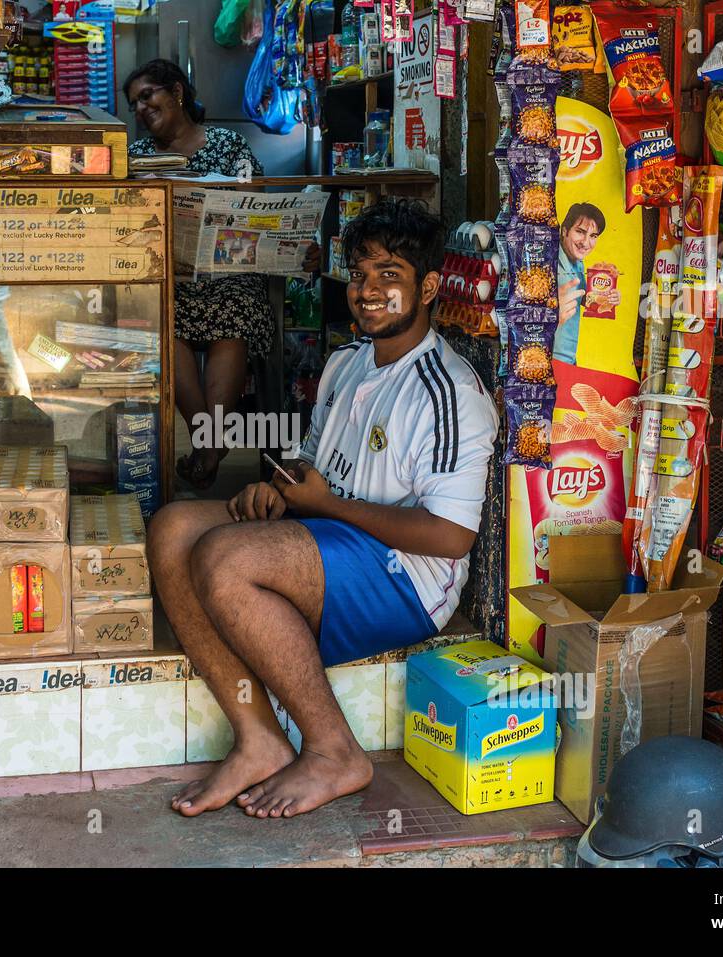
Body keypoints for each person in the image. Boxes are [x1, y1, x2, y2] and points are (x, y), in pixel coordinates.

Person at [147, 200, 498, 819]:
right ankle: (257, 738)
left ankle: (335, 750)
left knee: (225, 558)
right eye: (360, 275)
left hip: (408, 576)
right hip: (330, 537)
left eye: (389, 275)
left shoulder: (449, 393)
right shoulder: (347, 362)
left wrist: (324, 504)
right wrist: (279, 492)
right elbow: (308, 463)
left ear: (431, 287)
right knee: (175, 526)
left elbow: (449, 537)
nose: (367, 291)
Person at [125, 59, 276, 490]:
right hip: (170, 275)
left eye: (148, 95)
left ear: (176, 92)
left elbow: (257, 204)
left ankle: (207, 448)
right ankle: (210, 445)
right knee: (163, 324)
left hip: (228, 271)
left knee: (234, 312)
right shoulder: (136, 157)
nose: (141, 107)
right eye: (135, 102)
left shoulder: (228, 145)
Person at [554, 202, 613, 365]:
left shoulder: (577, 262)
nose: (586, 243)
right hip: (550, 359)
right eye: (580, 232)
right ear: (565, 230)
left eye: (593, 236)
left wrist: (608, 298)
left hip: (570, 359)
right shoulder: (549, 262)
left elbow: (583, 299)